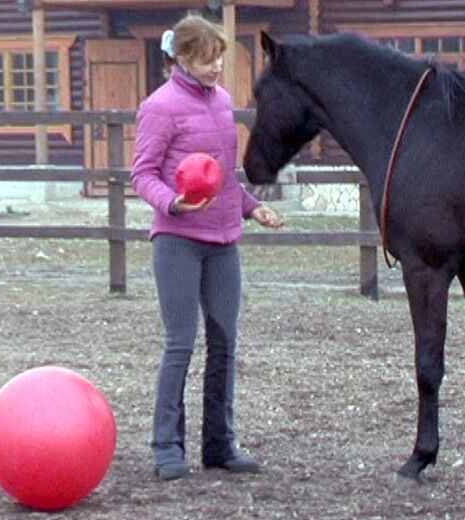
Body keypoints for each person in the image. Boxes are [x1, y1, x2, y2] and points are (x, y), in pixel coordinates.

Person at [131, 13, 283, 481]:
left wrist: (253, 207)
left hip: (223, 243)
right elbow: (143, 174)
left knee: (224, 344)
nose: (217, 67)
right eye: (206, 59)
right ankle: (166, 448)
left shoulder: (221, 102)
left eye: (219, 57)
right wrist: (172, 204)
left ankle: (219, 444)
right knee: (181, 344)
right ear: (181, 58)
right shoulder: (159, 107)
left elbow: (224, 177)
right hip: (178, 241)